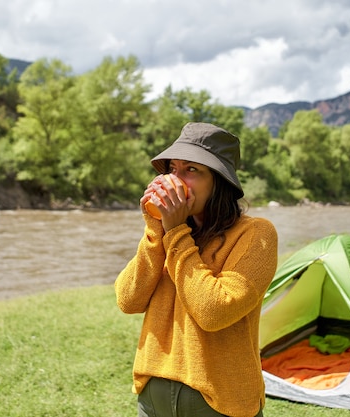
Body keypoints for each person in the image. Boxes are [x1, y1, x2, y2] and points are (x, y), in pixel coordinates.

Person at [115, 122, 278, 417]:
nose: (176, 180)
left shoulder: (255, 234)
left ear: (220, 182)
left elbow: (213, 311)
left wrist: (175, 231)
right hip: (153, 399)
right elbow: (128, 300)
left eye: (192, 170)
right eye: (172, 169)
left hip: (220, 403)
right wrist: (155, 229)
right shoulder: (166, 234)